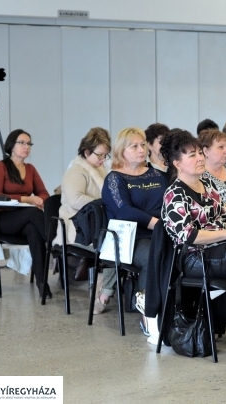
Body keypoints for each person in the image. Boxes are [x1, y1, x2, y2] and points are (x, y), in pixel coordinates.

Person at [161, 129, 226, 283]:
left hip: (223, 248)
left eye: (200, 153)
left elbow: (224, 215)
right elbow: (189, 236)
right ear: (178, 164)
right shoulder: (174, 194)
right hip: (196, 258)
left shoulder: (207, 183)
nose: (200, 158)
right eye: (192, 155)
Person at [98, 127, 168, 331]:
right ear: (121, 150)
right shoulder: (115, 179)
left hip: (161, 232)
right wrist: (155, 223)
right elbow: (123, 211)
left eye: (143, 144)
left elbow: (169, 203)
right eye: (134, 146)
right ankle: (148, 315)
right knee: (152, 256)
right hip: (129, 237)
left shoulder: (156, 174)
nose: (141, 149)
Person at [0, 129, 51, 300]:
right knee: (33, 213)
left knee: (33, 229)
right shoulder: (0, 166)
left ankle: (42, 283)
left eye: (29, 143)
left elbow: (44, 193)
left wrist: (40, 200)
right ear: (11, 146)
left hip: (23, 220)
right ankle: (56, 244)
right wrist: (27, 199)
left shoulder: (30, 169)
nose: (26, 146)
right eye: (22, 143)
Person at [57, 127, 111, 247]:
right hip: (78, 228)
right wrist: (106, 205)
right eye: (99, 155)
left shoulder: (102, 171)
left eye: (105, 155)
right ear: (86, 152)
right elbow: (76, 200)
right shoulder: (76, 171)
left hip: (93, 223)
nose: (103, 160)